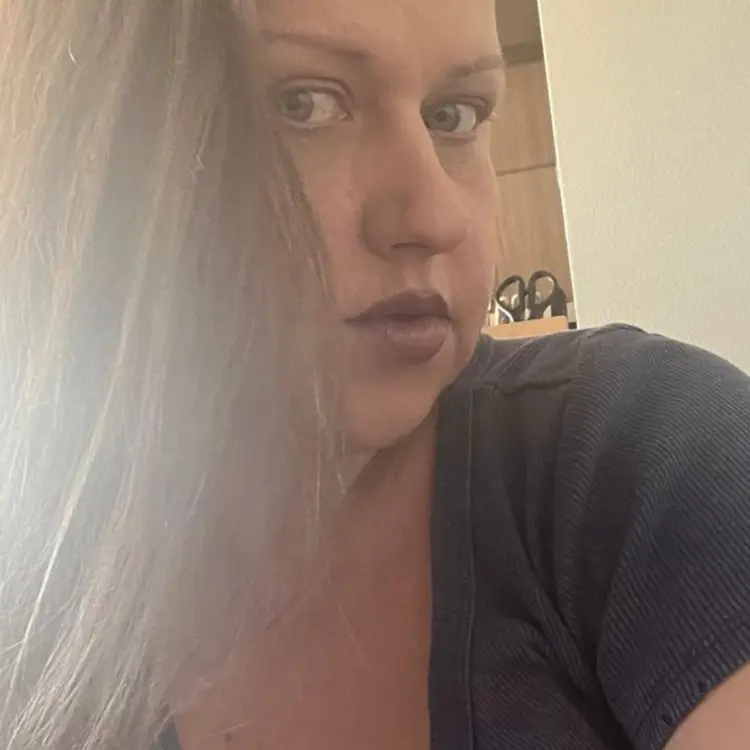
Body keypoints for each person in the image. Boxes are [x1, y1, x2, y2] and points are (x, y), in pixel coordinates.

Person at [3, 3, 750, 750]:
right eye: (306, 103)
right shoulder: (32, 588)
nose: (436, 216)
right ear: (94, 143)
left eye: (455, 114)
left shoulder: (642, 452)